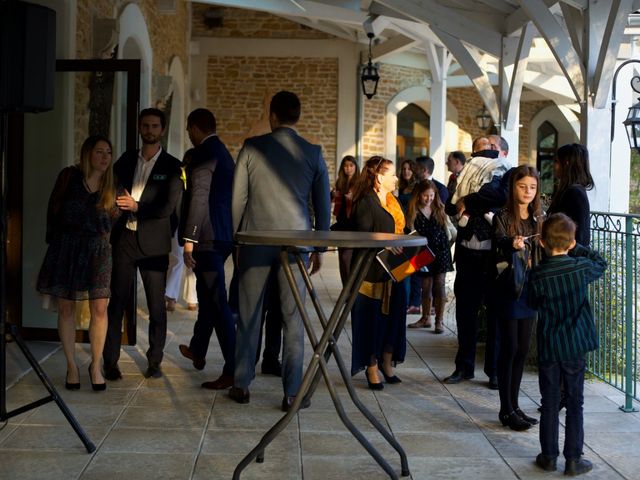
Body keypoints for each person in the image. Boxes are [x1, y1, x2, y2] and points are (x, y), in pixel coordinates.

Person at [231, 91, 331, 411]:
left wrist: (238, 239)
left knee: (249, 314)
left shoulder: (251, 147)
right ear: (296, 118)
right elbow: (323, 206)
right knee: (293, 318)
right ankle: (290, 392)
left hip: (256, 241)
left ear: (272, 116)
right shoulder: (313, 153)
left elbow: (237, 201)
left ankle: (242, 383)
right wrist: (319, 245)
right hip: (296, 243)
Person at [103, 108, 183, 380]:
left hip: (154, 243)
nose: (149, 130)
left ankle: (154, 361)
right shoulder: (125, 160)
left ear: (162, 130)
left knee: (156, 307)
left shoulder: (173, 166)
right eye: (145, 126)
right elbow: (109, 188)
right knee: (117, 303)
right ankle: (110, 362)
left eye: (154, 126)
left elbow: (167, 206)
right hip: (124, 239)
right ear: (139, 129)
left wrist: (137, 205)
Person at [37, 136, 118, 391]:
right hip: (67, 247)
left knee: (100, 308)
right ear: (87, 153)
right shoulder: (69, 177)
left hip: (98, 251)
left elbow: (116, 223)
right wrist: (53, 245)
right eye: (99, 152)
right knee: (65, 308)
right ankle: (72, 365)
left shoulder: (113, 185)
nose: (104, 157)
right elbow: (53, 210)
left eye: (108, 152)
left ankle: (95, 365)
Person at [529, 213, 606, 476]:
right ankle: (573, 459)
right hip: (575, 345)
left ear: (541, 242)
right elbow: (600, 262)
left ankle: (549, 456)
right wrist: (578, 247)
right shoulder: (580, 268)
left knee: (549, 402)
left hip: (551, 345)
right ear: (571, 243)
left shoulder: (538, 274)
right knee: (575, 402)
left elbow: (531, 303)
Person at [443, 136, 510, 388]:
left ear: (498, 151)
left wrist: (467, 200)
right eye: (478, 147)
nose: (481, 150)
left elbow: (500, 196)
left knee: (494, 315)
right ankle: (463, 367)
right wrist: (462, 200)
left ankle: (493, 371)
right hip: (467, 254)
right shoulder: (462, 173)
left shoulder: (506, 171)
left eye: (488, 146)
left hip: (493, 257)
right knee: (465, 314)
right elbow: (450, 205)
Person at [178, 108, 236, 390]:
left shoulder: (204, 153)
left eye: (189, 130)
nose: (189, 135)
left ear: (195, 128)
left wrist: (190, 239)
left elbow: (198, 197)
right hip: (223, 234)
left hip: (208, 238)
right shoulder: (223, 151)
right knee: (206, 294)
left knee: (217, 301)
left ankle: (233, 369)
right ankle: (198, 349)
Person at [492, 165, 543, 431]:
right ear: (513, 187)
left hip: (531, 289)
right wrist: (511, 243)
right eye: (523, 186)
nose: (527, 191)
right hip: (510, 289)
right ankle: (505, 409)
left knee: (523, 348)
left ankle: (515, 405)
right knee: (510, 347)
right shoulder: (501, 215)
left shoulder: (538, 217)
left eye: (532, 187)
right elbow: (498, 243)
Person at [350, 156, 407, 389]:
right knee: (370, 320)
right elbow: (361, 235)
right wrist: (385, 243)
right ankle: (371, 365)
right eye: (392, 174)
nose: (396, 178)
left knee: (393, 316)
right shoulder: (366, 202)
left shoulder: (392, 201)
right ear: (379, 177)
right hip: (370, 270)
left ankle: (386, 359)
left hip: (394, 269)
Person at [406, 180, 453, 333]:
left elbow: (450, 230)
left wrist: (449, 244)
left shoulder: (439, 208)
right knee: (425, 286)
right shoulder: (413, 210)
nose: (428, 199)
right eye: (425, 195)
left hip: (441, 251)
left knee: (439, 285)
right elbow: (410, 232)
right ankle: (425, 318)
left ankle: (439, 321)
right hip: (422, 252)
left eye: (431, 195)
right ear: (418, 195)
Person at [166, 148, 198, 313]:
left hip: (193, 224)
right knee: (178, 259)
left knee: (191, 262)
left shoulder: (200, 179)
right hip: (178, 223)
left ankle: (192, 298)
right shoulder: (179, 176)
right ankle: (170, 296)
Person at [547, 143, 593, 246]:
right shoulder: (570, 191)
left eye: (556, 161)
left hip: (569, 257)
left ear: (566, 164)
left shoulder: (575, 193)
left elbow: (579, 235)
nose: (554, 166)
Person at [396, 159, 421, 315]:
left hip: (412, 229)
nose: (406, 171)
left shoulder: (417, 187)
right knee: (404, 269)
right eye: (404, 168)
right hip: (401, 229)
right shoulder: (400, 187)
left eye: (409, 169)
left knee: (414, 268)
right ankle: (406, 301)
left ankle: (415, 303)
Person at [330, 155, 359, 285]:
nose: (348, 168)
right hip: (341, 222)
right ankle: (345, 289)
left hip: (352, 223)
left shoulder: (359, 183)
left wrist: (352, 198)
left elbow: (362, 203)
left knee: (347, 257)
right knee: (342, 258)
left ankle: (350, 289)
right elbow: (331, 200)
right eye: (346, 166)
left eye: (351, 165)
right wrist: (333, 195)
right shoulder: (339, 182)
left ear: (355, 167)